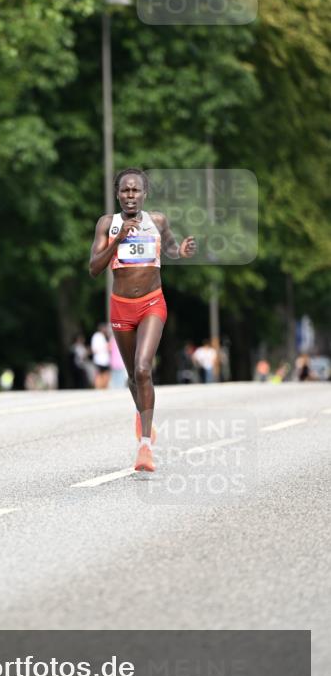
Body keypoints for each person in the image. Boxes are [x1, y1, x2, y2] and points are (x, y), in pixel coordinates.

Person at [89, 168, 196, 472]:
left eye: (136, 190)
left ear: (144, 194)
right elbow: (94, 268)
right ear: (117, 194)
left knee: (142, 368)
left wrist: (182, 251)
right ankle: (143, 415)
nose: (130, 195)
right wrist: (117, 239)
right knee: (133, 379)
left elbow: (171, 248)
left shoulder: (157, 221)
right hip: (121, 306)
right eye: (125, 191)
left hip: (152, 302)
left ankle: (145, 446)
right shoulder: (107, 224)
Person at [90, 323, 111, 389]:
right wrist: (105, 347)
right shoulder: (97, 336)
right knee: (99, 374)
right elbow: (94, 349)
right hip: (99, 359)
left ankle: (103, 387)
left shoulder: (102, 336)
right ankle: (99, 387)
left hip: (104, 360)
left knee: (104, 374)